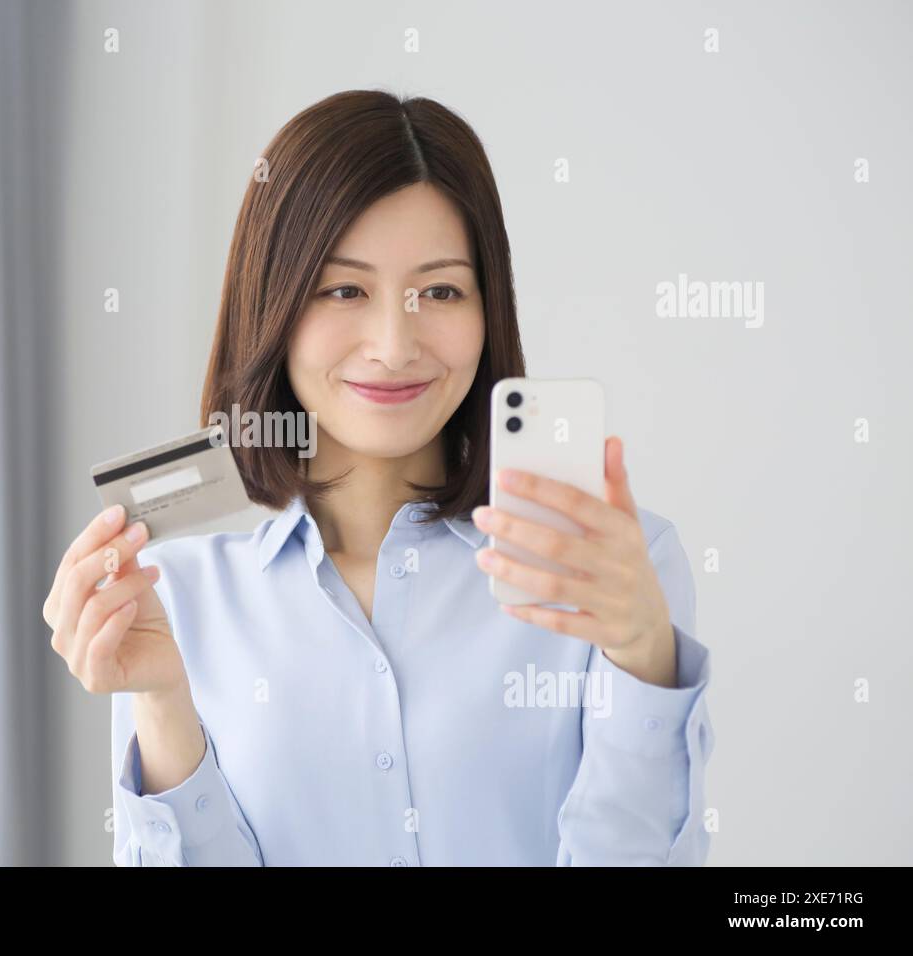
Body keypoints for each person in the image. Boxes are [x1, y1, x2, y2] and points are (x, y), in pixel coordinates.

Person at [42, 89, 714, 866]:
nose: (395, 344)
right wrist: (160, 703)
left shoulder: (613, 573)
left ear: (489, 308)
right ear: (275, 308)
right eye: (345, 289)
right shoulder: (175, 599)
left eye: (440, 291)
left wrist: (643, 665)